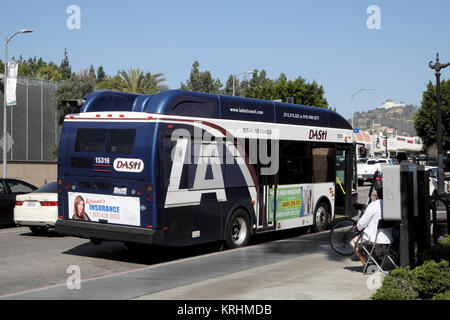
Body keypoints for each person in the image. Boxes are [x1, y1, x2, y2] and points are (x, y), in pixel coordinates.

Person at [351, 186, 393, 265]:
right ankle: (376, 262)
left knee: (353, 243)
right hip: (389, 238)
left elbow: (362, 223)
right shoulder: (390, 205)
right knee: (368, 244)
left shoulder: (373, 205)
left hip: (375, 238)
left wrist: (357, 227)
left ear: (377, 195)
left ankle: (365, 265)